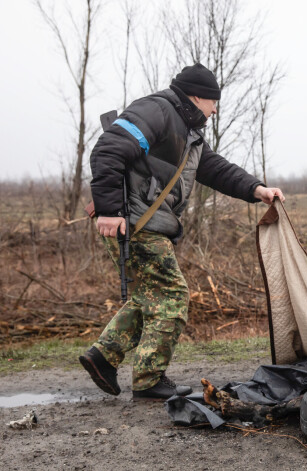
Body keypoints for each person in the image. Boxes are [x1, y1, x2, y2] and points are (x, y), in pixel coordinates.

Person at [79, 63, 284, 400]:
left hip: (147, 223)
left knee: (151, 295)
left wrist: (256, 189)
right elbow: (108, 149)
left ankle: (103, 357)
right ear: (197, 96)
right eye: (213, 102)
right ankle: (148, 379)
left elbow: (216, 169)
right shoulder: (158, 110)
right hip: (134, 222)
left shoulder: (188, 132)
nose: (216, 109)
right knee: (172, 295)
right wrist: (109, 210)